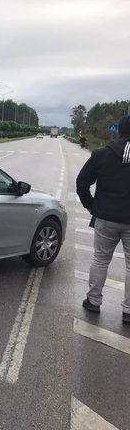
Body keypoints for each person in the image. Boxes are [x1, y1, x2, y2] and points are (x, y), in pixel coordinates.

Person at [76, 115, 130, 323]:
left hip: (105, 218)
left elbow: (82, 183)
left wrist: (91, 206)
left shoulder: (101, 154)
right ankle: (128, 311)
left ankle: (93, 301)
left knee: (100, 259)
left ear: (118, 131)